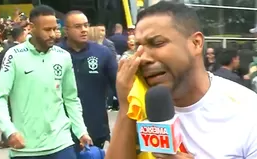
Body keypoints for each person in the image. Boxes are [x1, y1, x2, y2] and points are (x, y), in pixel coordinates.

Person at [106, 1, 257, 159]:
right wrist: (126, 107)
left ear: (196, 43)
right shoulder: (139, 102)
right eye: (138, 47)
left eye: (157, 43)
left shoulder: (248, 111)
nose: (143, 58)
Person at [0, 5, 91, 159]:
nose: (53, 34)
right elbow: (0, 99)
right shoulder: (14, 56)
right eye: (47, 30)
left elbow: (71, 98)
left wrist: (81, 131)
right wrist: (9, 131)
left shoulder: (63, 57)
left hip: (62, 144)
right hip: (26, 149)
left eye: (55, 29)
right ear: (31, 28)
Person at [57, 10, 117, 149]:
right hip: (61, 132)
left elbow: (118, 87)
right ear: (66, 30)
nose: (84, 30)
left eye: (86, 25)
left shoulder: (102, 53)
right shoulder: (55, 53)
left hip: (95, 127)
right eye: (78, 26)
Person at [0, 25, 27, 149]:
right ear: (21, 35)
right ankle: (7, 137)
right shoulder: (17, 50)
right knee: (12, 110)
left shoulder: (4, 48)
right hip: (13, 85)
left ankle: (5, 138)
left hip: (2, 83)